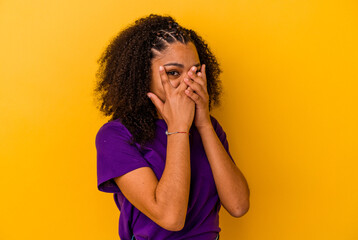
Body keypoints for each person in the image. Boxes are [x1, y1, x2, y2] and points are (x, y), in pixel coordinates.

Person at [94, 14, 250, 240]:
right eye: (174, 72)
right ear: (142, 75)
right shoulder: (116, 136)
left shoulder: (208, 127)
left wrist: (204, 123)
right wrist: (178, 128)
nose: (188, 83)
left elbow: (238, 206)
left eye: (195, 72)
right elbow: (170, 218)